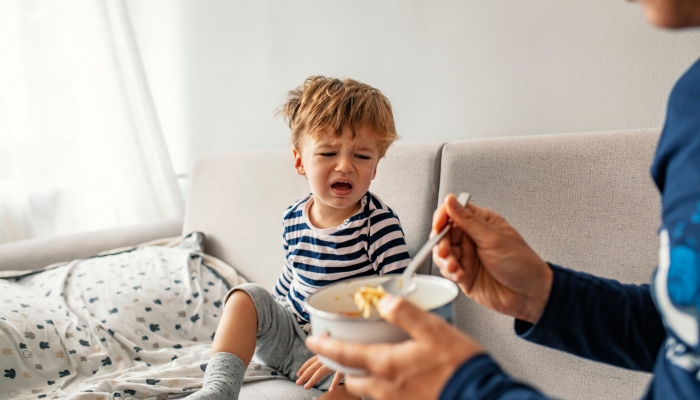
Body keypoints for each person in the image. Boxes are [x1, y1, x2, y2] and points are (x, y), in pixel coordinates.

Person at [305, 1, 700, 399]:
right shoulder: (689, 103)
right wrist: (544, 292)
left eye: (361, 155)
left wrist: (460, 387)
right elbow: (685, 334)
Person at [188, 76, 411, 400]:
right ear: (299, 161)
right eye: (328, 152)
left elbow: (405, 304)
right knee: (246, 296)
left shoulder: (378, 226)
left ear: (375, 167)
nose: (345, 166)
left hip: (350, 356)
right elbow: (291, 277)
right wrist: (265, 316)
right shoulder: (293, 217)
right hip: (293, 339)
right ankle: (217, 391)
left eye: (362, 156)